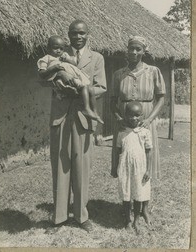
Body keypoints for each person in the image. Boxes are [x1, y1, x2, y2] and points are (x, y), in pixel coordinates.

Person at [38, 20, 106, 232]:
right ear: (68, 35)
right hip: (60, 116)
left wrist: (79, 91)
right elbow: (42, 78)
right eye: (74, 33)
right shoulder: (58, 54)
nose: (78, 37)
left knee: (81, 166)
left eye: (82, 33)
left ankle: (81, 216)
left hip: (83, 118)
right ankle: (59, 218)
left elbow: (101, 87)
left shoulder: (97, 58)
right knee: (60, 164)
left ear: (88, 35)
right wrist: (56, 82)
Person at [111, 35, 166, 181]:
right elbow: (112, 101)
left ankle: (143, 198)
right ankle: (126, 198)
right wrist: (118, 118)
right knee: (125, 154)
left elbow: (161, 98)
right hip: (124, 119)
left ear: (144, 52)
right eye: (131, 49)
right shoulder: (118, 75)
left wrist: (149, 119)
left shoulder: (153, 71)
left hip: (146, 119)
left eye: (138, 49)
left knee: (146, 152)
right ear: (127, 51)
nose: (134, 52)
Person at [37, 35, 104, 123]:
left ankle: (94, 112)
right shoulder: (46, 58)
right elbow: (42, 74)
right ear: (48, 48)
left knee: (89, 88)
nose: (58, 51)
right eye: (55, 48)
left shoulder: (64, 55)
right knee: (83, 87)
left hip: (73, 77)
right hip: (59, 82)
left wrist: (68, 59)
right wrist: (55, 69)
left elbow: (75, 63)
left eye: (61, 48)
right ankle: (86, 108)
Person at [115, 101, 152, 234]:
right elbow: (117, 150)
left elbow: (148, 151)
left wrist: (148, 169)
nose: (134, 118)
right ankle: (127, 221)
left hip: (140, 169)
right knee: (126, 194)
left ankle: (136, 220)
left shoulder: (145, 132)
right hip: (125, 168)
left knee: (138, 194)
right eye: (131, 115)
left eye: (138, 115)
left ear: (142, 116)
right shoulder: (122, 133)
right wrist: (115, 168)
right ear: (125, 116)